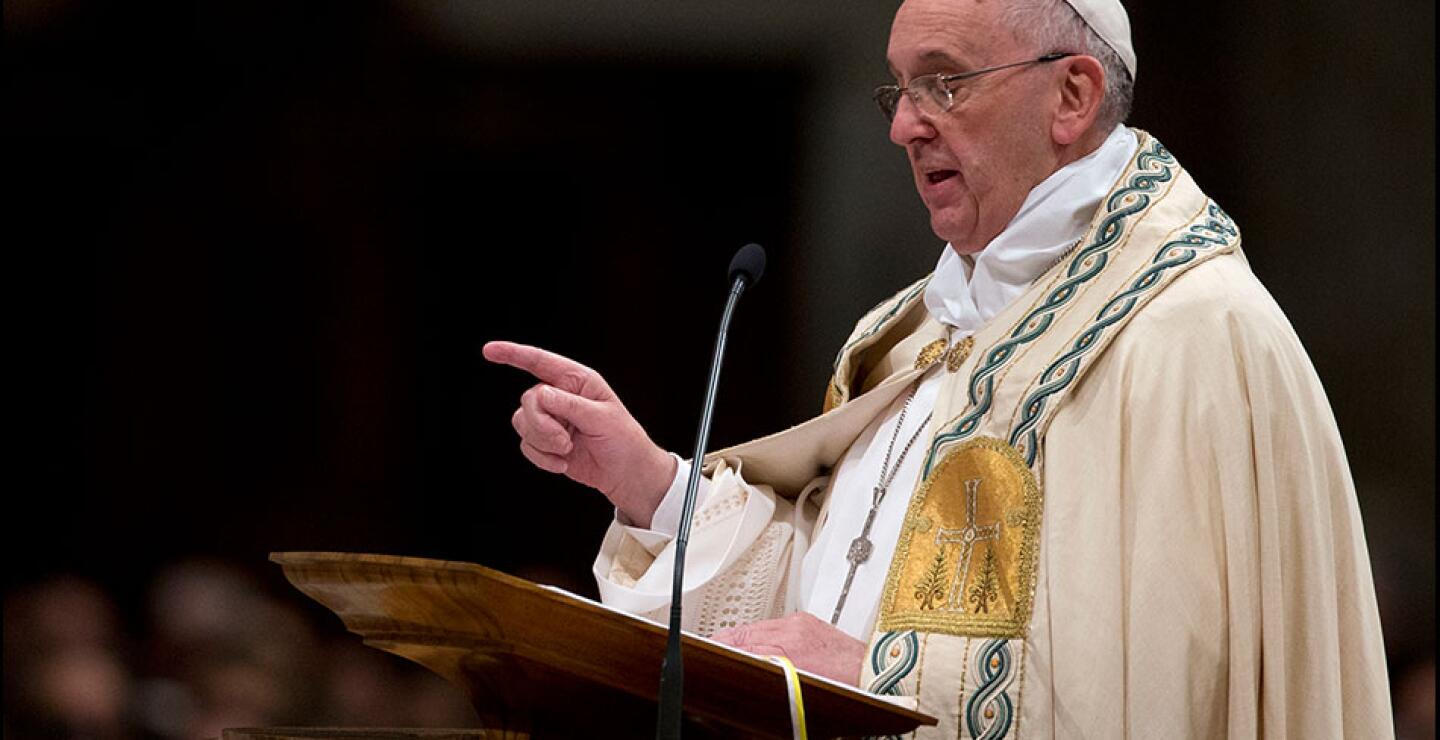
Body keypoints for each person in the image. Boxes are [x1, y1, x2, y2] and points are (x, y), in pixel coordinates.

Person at [484, 0, 1395, 735]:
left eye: (944, 84)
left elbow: (1162, 691)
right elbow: (827, 592)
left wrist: (879, 677)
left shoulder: (1192, 339)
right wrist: (653, 487)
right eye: (899, 90)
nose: (904, 127)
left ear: (1072, 96)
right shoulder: (920, 334)